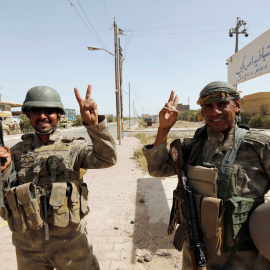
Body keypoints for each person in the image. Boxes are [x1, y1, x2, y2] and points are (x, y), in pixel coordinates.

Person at [142, 81, 270, 269]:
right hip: (196, 252)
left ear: (238, 106)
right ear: (202, 112)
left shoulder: (259, 146)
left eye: (222, 104)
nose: (215, 111)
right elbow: (158, 169)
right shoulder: (193, 146)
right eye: (208, 106)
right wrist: (163, 130)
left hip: (243, 259)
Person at [0, 84, 117, 270]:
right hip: (28, 248)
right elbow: (4, 199)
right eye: (36, 110)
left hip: (71, 244)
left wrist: (94, 126)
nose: (43, 116)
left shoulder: (74, 147)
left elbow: (107, 159)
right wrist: (3, 171)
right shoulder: (14, 153)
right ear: (28, 114)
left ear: (59, 115)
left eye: (50, 111)